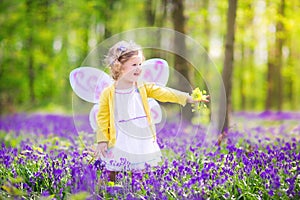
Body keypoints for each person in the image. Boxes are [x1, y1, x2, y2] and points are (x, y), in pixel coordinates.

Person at [95, 40, 209, 182]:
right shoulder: (108, 93)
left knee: (139, 171)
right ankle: (101, 192)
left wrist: (187, 98)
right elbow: (102, 118)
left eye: (140, 64)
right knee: (112, 170)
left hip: (141, 135)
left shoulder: (142, 87)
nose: (139, 68)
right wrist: (102, 140)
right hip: (120, 137)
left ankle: (137, 193)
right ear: (119, 67)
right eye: (134, 65)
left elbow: (164, 92)